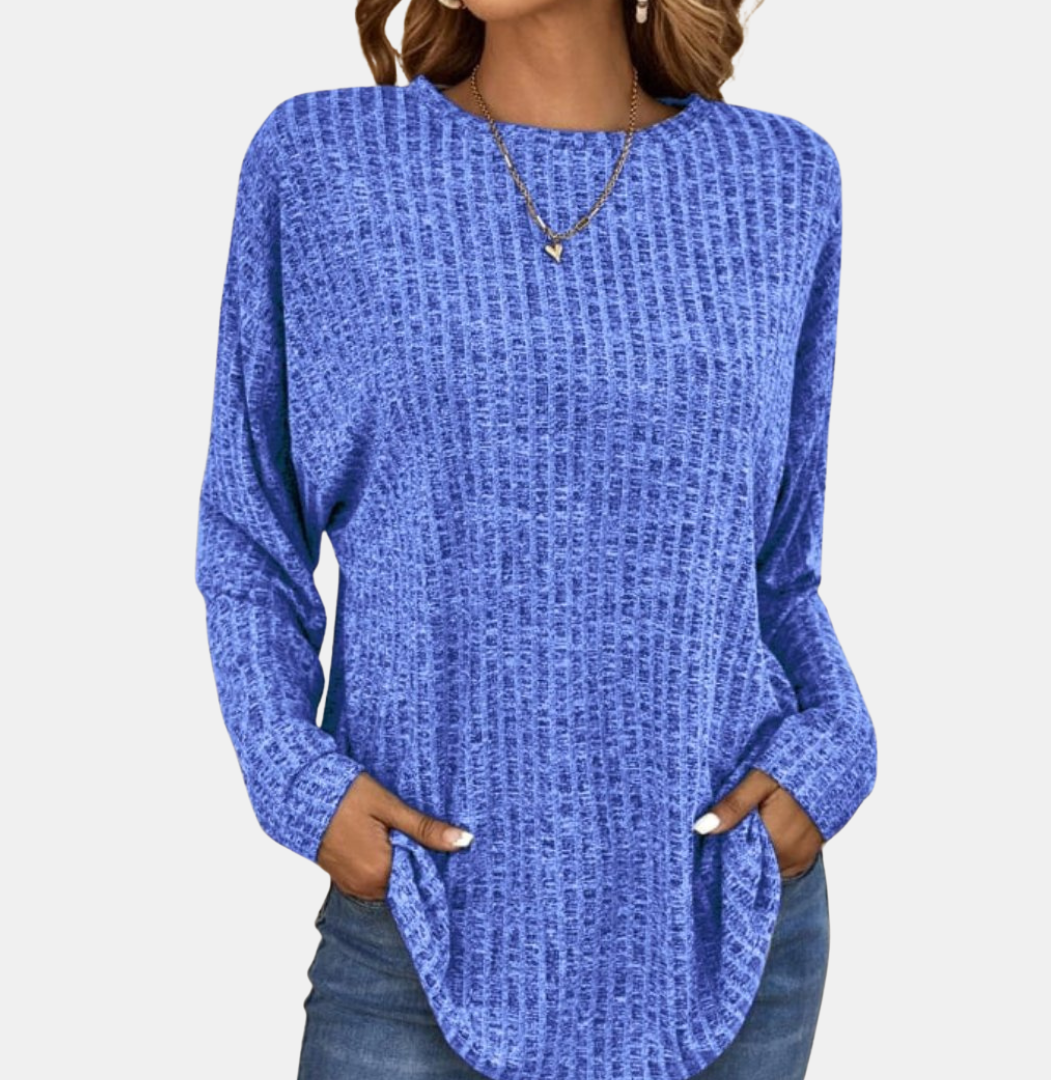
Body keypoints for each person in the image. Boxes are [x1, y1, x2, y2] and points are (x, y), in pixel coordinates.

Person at [194, 1, 877, 1078]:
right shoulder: (323, 163)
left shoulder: (782, 182)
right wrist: (300, 783)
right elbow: (249, 533)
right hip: (418, 930)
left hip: (723, 927)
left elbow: (779, 570)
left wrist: (834, 750)